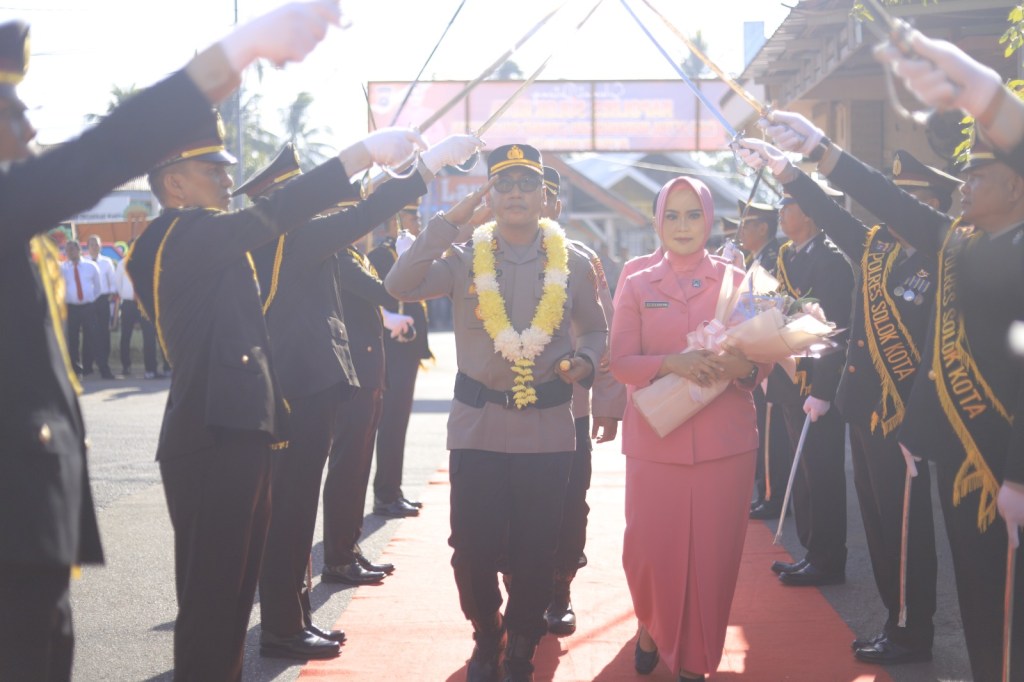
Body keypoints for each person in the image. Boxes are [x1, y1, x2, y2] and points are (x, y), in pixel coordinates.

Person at [0, 4, 342, 680]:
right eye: (11, 110)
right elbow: (105, 150)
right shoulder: (175, 233)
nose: (30, 127)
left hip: (31, 530)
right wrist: (235, 52)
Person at [126, 106, 424, 678]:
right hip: (210, 436)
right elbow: (278, 212)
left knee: (234, 601)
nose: (227, 180)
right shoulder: (178, 235)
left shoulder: (205, 238)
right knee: (214, 601)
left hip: (240, 431)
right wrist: (359, 154)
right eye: (212, 169)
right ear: (174, 183)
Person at [759, 109, 1024, 680]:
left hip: (992, 452)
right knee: (981, 597)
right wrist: (808, 160)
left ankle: (930, 635)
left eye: (979, 177)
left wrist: (1017, 474)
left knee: (1005, 604)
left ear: (1015, 185)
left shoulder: (979, 254)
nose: (966, 188)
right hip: (946, 444)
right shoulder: (946, 245)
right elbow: (863, 204)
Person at [239, 136, 476, 658]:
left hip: (310, 385)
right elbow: (366, 210)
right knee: (290, 512)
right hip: (296, 389)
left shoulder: (293, 236)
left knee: (296, 510)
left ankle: (291, 617)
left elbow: (360, 211)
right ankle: (282, 625)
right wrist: (426, 166)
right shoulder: (292, 237)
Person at [385, 143, 607, 682]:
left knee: (537, 549)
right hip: (478, 426)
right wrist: (454, 220)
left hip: (548, 429)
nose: (513, 194)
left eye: (524, 184)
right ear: (488, 194)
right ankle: (487, 631)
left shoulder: (573, 261)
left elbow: (597, 328)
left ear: (542, 196)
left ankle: (522, 645)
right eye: (501, 184)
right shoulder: (464, 257)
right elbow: (398, 285)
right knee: (472, 551)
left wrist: (584, 360)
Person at [737, 138, 950, 665]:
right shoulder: (876, 249)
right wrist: (788, 172)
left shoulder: (940, 261)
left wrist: (921, 426)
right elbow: (831, 213)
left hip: (905, 424)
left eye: (905, 202)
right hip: (866, 413)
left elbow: (936, 358)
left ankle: (909, 630)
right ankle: (893, 618)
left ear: (928, 209)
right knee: (879, 528)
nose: (891, 212)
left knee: (905, 535)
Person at [609, 176, 765, 681]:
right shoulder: (637, 281)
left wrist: (738, 366)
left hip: (726, 444)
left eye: (692, 215)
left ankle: (696, 662)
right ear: (658, 221)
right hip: (657, 440)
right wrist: (674, 363)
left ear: (709, 219)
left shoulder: (738, 279)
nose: (682, 226)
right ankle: (651, 623)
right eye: (672, 215)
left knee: (714, 559)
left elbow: (760, 362)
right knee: (648, 552)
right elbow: (621, 361)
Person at [538, 165, 624, 636]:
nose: (538, 203)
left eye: (547, 195)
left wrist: (608, 404)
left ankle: (559, 592)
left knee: (571, 505)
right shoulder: (486, 256)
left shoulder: (582, 259)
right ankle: (520, 591)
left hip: (570, 409)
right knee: (511, 509)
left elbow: (605, 331)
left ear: (557, 204)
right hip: (507, 412)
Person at [764, 182, 854, 588]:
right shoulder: (787, 255)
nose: (782, 213)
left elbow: (836, 329)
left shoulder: (832, 261)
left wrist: (823, 390)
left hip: (816, 384)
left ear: (811, 214)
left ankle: (829, 557)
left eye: (790, 205)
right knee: (801, 471)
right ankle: (810, 550)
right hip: (788, 376)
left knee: (823, 471)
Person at [368, 199, 433, 518]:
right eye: (412, 216)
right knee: (390, 423)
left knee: (398, 424)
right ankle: (385, 495)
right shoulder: (381, 255)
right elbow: (371, 296)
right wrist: (388, 319)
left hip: (407, 352)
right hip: (391, 349)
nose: (418, 222)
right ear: (397, 220)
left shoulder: (411, 253)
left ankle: (393, 490)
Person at [734, 200, 792, 521]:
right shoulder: (758, 257)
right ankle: (766, 490)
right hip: (756, 351)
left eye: (747, 224)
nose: (741, 231)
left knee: (771, 434)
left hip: (770, 354)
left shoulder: (772, 258)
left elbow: (764, 305)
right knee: (765, 429)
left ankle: (772, 494)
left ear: (763, 228)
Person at [114, 245, 160, 378]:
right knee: (125, 336)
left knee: (149, 336)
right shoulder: (122, 264)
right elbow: (117, 283)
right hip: (128, 304)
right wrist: (124, 294)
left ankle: (151, 369)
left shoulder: (148, 263)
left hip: (144, 304)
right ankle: (126, 366)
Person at [61, 239, 103, 378]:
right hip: (71, 308)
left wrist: (89, 299)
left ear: (79, 250)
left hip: (88, 307)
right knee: (72, 339)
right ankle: (75, 367)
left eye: (72, 249)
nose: (69, 253)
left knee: (90, 337)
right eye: (67, 250)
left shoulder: (91, 266)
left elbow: (98, 288)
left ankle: (88, 367)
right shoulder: (62, 268)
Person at [82, 234, 116, 378]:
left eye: (96, 244)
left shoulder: (107, 262)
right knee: (88, 333)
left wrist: (108, 298)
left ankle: (104, 364)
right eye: (91, 245)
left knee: (103, 332)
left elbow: (113, 283)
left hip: (103, 300)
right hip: (89, 301)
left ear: (100, 246)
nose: (94, 247)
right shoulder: (83, 262)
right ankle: (87, 366)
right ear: (87, 247)